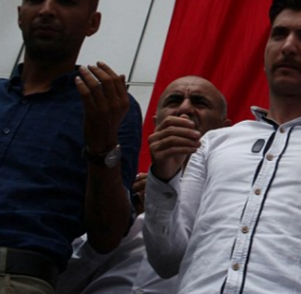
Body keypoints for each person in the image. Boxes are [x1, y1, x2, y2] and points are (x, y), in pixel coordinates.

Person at [143, 0, 301, 294]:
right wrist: (163, 179)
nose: (288, 46)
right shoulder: (215, 142)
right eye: (279, 34)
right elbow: (166, 260)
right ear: (265, 54)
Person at [0, 0, 142, 294]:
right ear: (19, 14)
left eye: (65, 0)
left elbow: (106, 236)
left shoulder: (109, 107)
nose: (47, 9)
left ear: (93, 22)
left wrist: (102, 145)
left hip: (12, 277)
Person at [58, 76, 230, 294]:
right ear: (156, 122)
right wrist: (119, 223)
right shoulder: (121, 193)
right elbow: (65, 276)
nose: (185, 109)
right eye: (174, 101)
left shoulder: (229, 205)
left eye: (200, 102)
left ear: (225, 130)